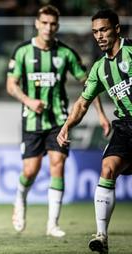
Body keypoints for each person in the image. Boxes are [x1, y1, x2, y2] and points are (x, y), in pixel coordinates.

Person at [6, 4, 111, 238]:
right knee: (30, 171)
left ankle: (52, 224)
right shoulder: (22, 51)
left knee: (58, 164)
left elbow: (90, 84)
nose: (48, 28)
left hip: (59, 120)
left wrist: (102, 115)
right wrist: (29, 101)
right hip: (32, 121)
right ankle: (20, 199)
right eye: (44, 23)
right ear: (37, 24)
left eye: (53, 24)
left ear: (57, 26)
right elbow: (11, 85)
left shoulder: (66, 53)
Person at [57, 9, 131, 254]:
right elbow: (82, 103)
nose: (99, 36)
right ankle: (102, 236)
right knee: (107, 168)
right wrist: (67, 125)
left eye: (104, 30)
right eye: (95, 32)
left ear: (117, 29)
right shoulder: (100, 68)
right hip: (125, 126)